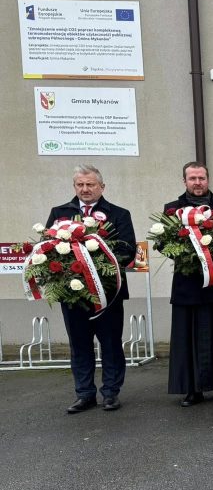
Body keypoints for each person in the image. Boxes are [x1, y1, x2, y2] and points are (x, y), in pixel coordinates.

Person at [46, 165, 136, 413]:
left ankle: (110, 393)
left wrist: (97, 265)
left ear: (102, 187)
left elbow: (128, 251)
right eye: (80, 185)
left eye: (90, 185)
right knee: (80, 345)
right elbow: (47, 249)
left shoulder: (118, 214)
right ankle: (84, 394)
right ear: (74, 186)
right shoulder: (60, 213)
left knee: (110, 343)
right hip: (73, 294)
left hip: (108, 294)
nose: (85, 189)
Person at [166, 162, 213, 406]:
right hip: (187, 286)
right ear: (184, 181)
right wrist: (188, 256)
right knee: (187, 338)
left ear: (208, 180)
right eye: (192, 178)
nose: (197, 182)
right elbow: (164, 243)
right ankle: (192, 389)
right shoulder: (173, 209)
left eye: (201, 178)